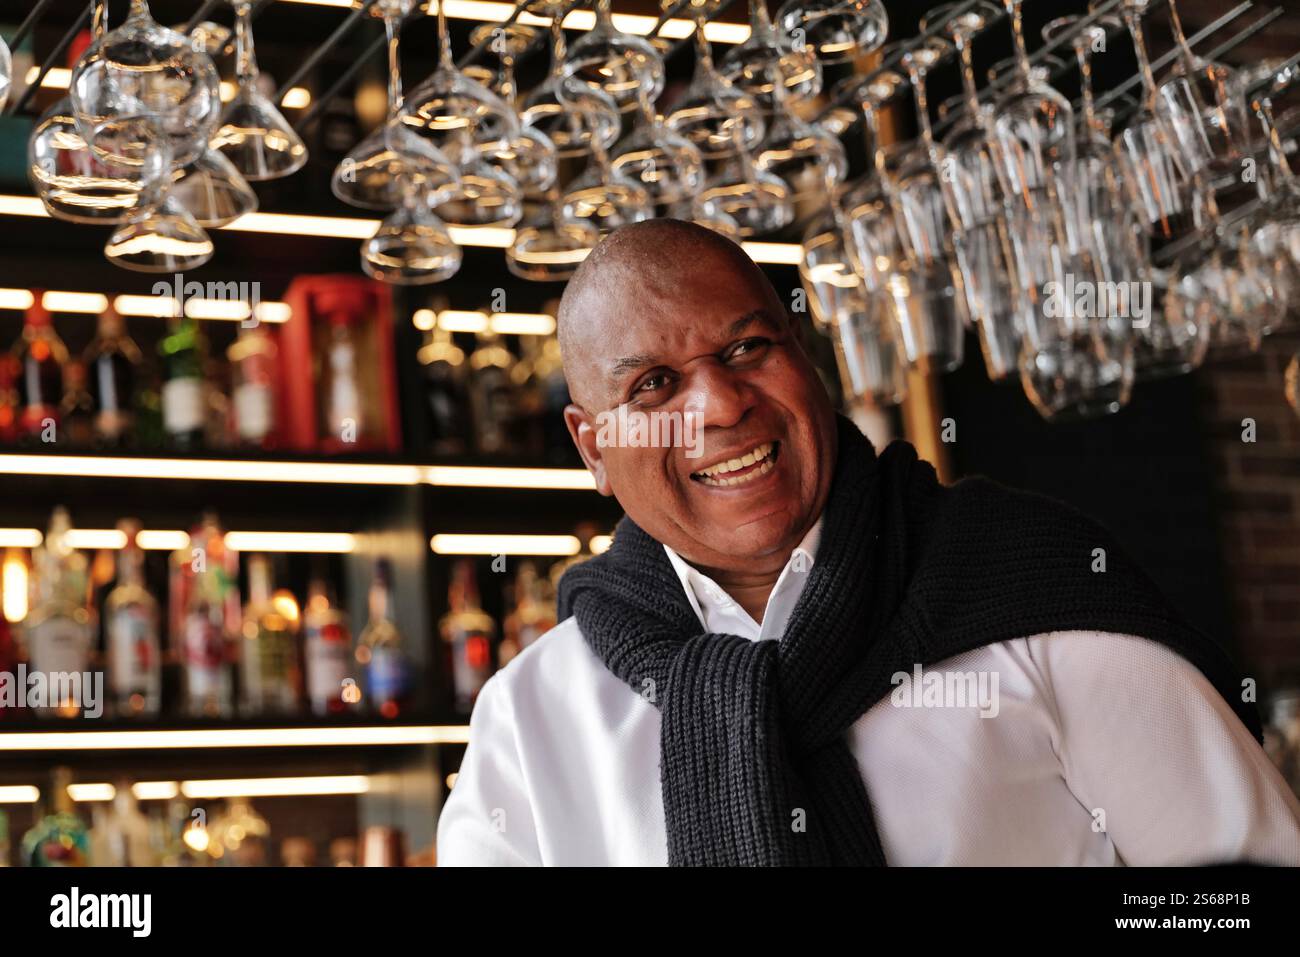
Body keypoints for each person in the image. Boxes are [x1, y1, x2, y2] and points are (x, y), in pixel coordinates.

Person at [437, 219, 1300, 866]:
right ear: (595, 447)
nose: (725, 405)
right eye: (656, 384)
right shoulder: (531, 718)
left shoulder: (1033, 584)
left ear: (806, 360)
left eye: (748, 346)